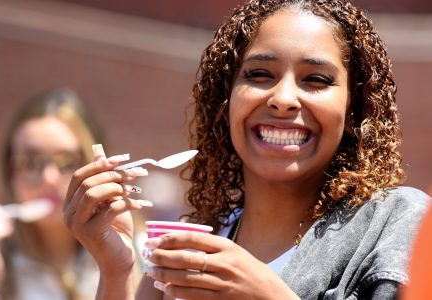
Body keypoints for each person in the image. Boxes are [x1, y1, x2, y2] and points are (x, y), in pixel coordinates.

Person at [63, 0, 430, 299]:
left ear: (354, 111)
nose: (283, 99)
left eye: (316, 80)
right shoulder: (195, 241)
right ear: (225, 103)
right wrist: (116, 269)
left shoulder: (399, 225)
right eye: (259, 75)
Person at [0, 88, 104, 300]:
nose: (49, 178)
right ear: (10, 174)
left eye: (67, 162)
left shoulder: (133, 250)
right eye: (30, 162)